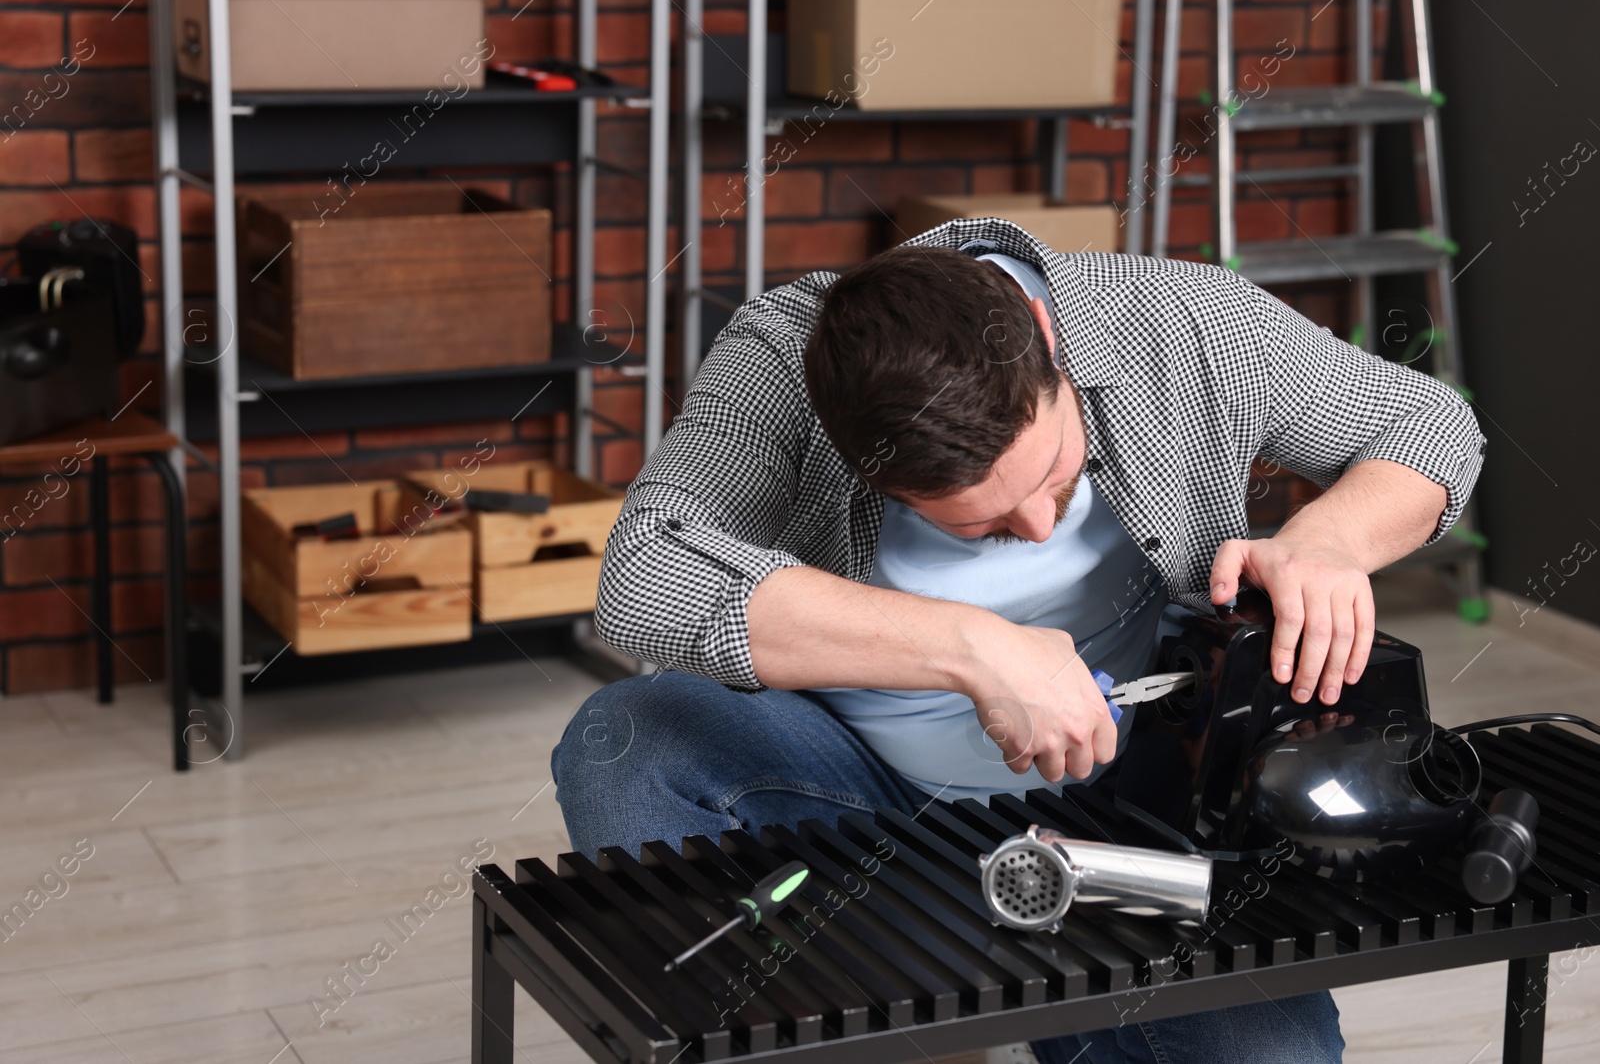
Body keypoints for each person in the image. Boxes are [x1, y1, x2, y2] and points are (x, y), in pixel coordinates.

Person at [551, 216, 1485, 1063]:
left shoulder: (1182, 322)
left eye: (1054, 472)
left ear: (1045, 334)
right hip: (860, 796)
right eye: (984, 527)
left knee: (1270, 1058)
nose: (1039, 527)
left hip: (1130, 822)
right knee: (626, 742)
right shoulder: (777, 359)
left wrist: (1324, 541)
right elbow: (643, 577)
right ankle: (801, 1015)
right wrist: (974, 647)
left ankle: (1037, 991)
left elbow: (1433, 423)